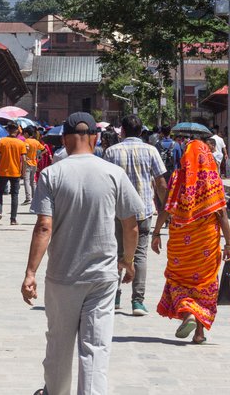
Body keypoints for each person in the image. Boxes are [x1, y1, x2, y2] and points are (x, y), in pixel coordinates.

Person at [22, 112, 144, 395]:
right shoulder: (114, 173)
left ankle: (55, 392)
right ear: (95, 137)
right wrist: (128, 260)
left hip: (63, 274)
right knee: (95, 348)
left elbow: (43, 226)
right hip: (102, 276)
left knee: (59, 344)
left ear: (64, 138)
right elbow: (132, 225)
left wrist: (30, 272)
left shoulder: (52, 174)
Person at [151, 138, 230, 344]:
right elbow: (222, 215)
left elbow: (167, 208)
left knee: (179, 281)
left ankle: (188, 314)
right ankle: (199, 332)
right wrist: (229, 243)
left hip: (180, 246)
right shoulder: (213, 179)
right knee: (206, 285)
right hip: (206, 244)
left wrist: (157, 232)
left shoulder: (178, 177)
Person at [104, 114, 168, 316]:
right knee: (140, 255)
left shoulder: (111, 152)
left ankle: (114, 297)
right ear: (141, 132)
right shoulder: (151, 151)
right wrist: (165, 208)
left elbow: (105, 183)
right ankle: (138, 301)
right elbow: (160, 182)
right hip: (143, 211)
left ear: (121, 131)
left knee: (116, 251)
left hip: (117, 211)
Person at [0, 122, 27, 225]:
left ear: (8, 130)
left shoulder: (2, 142)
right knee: (15, 195)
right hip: (15, 172)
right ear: (17, 130)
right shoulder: (21, 144)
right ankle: (13, 219)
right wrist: (23, 172)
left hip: (3, 171)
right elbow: (24, 160)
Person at [23, 128, 46, 205]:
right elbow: (44, 150)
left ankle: (28, 198)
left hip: (27, 162)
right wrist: (38, 156)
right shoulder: (36, 142)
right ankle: (34, 198)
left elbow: (24, 151)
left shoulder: (25, 141)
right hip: (34, 162)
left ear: (27, 134)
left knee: (26, 180)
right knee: (33, 181)